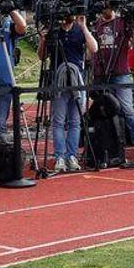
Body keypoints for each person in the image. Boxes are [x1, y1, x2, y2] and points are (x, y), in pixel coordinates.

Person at [38, 13, 98, 171]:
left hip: (77, 81)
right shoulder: (54, 31)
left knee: (75, 121)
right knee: (58, 121)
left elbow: (94, 48)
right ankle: (60, 157)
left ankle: (71, 156)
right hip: (58, 82)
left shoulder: (80, 30)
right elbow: (42, 56)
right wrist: (43, 39)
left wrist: (84, 27)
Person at [93, 6, 134, 159]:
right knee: (105, 111)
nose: (105, 8)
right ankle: (110, 147)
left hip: (121, 73)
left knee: (128, 109)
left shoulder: (122, 22)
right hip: (101, 73)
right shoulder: (96, 24)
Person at [0, 8, 27, 141]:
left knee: (0, 125)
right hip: (5, 80)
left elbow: (22, 27)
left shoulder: (7, 23)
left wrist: (11, 9)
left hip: (4, 80)